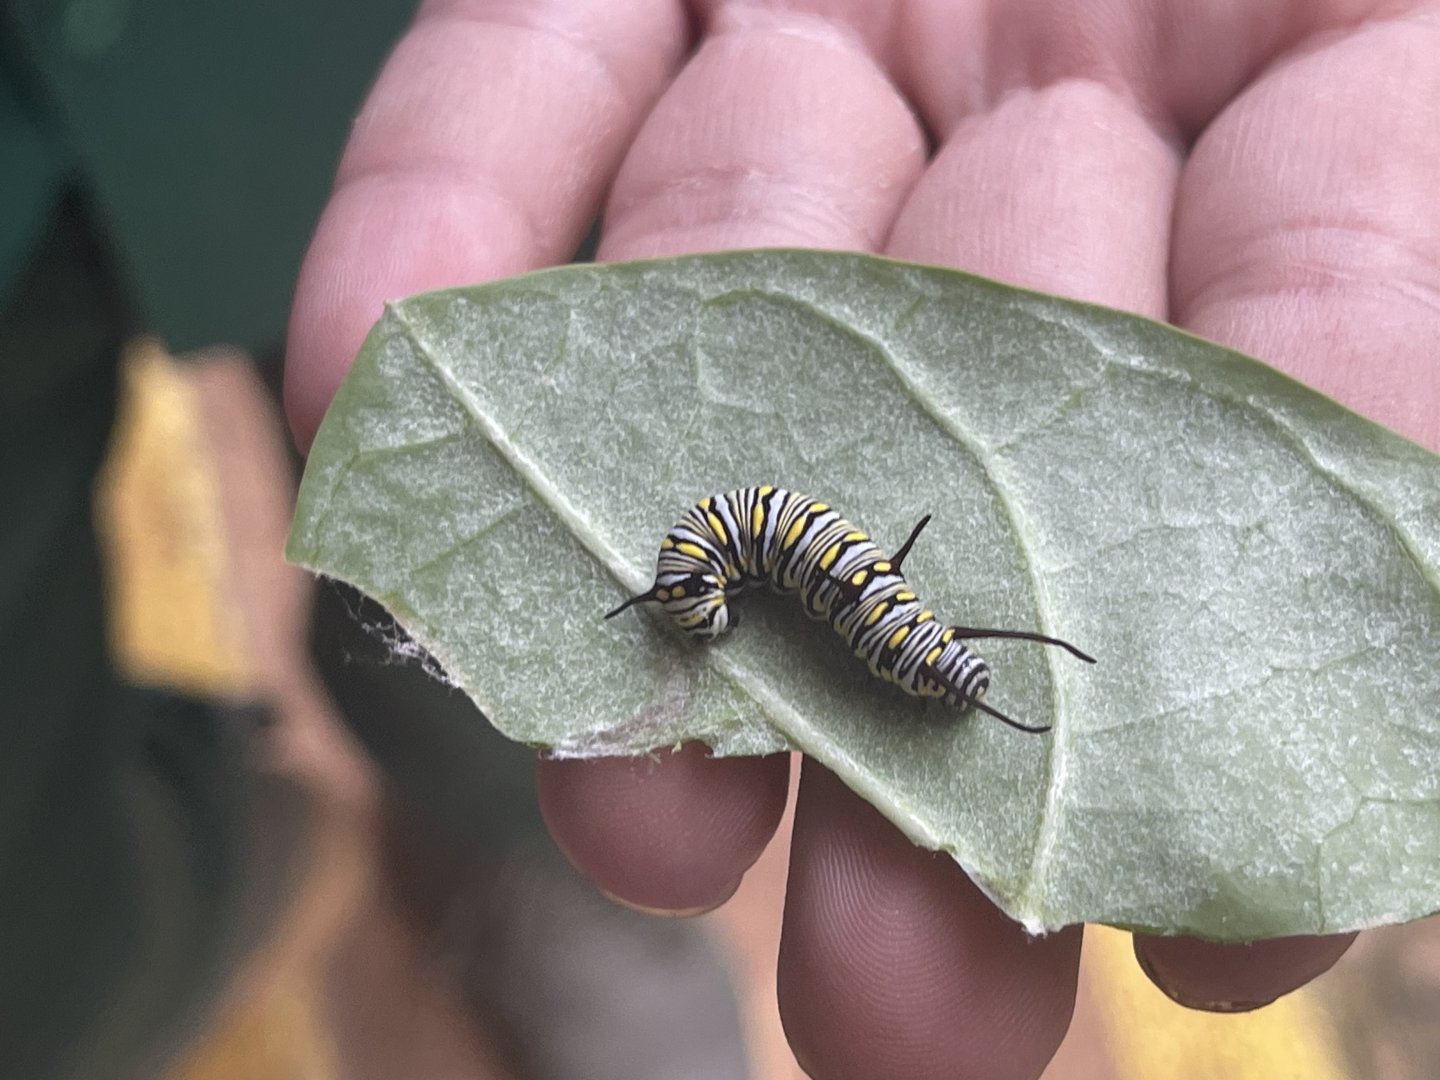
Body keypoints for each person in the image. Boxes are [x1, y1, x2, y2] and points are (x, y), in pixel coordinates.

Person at [283, 3, 1438, 1078]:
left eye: (703, 608)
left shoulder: (794, 582)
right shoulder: (778, 570)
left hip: (903, 637)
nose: (715, 618)